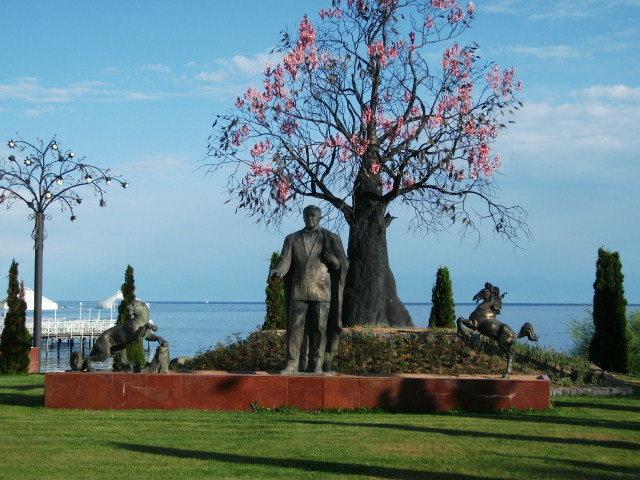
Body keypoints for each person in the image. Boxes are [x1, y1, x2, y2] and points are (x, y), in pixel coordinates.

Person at [270, 205, 348, 374]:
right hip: (299, 290)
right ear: (303, 216)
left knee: (320, 329)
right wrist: (278, 271)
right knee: (295, 327)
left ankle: (317, 364)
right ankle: (292, 363)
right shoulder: (292, 238)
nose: (310, 218)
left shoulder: (331, 237)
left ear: (320, 217)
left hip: (322, 290)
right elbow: (285, 260)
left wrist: (334, 262)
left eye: (314, 216)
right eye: (307, 215)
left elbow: (343, 264)